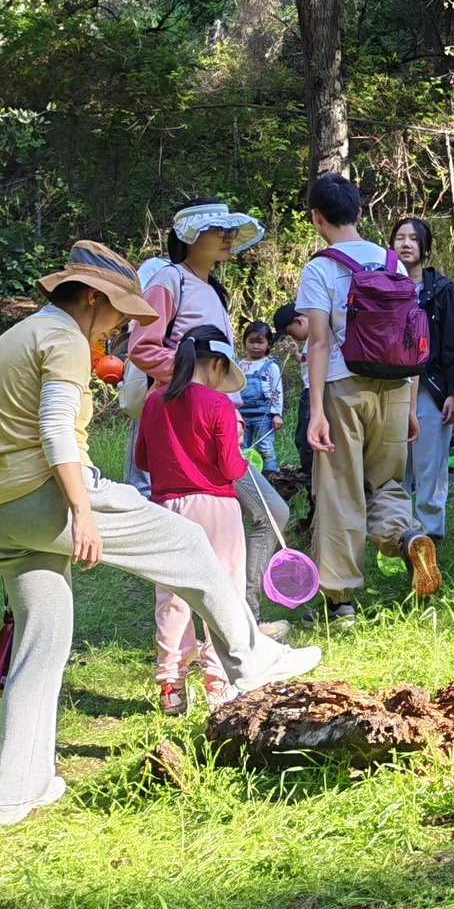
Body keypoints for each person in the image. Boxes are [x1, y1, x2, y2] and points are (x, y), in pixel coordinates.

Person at [0, 241, 319, 826]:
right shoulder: (62, 339)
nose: (116, 328)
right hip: (53, 493)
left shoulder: (18, 338)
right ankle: (248, 657)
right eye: (114, 314)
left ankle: (16, 790)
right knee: (188, 545)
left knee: (42, 646)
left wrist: (24, 524)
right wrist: (81, 512)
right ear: (89, 297)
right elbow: (56, 430)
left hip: (2, 506)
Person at [127, 198, 289, 633]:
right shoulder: (168, 280)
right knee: (260, 516)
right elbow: (142, 347)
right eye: (218, 228)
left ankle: (238, 619)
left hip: (213, 423)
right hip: (186, 427)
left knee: (266, 516)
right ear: (189, 236)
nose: (228, 236)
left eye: (230, 229)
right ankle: (235, 626)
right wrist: (193, 383)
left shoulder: (211, 286)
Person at [295, 170, 442, 612]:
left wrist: (316, 409)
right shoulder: (394, 263)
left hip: (344, 385)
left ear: (316, 218)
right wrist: (413, 403)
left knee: (340, 489)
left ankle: (339, 599)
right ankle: (407, 535)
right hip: (397, 385)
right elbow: (412, 336)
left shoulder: (321, 268)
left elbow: (318, 341)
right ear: (360, 212)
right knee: (389, 481)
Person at [134, 325, 254, 715]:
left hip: (166, 510)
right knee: (222, 594)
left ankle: (170, 683)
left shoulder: (154, 402)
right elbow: (231, 467)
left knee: (172, 597)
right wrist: (240, 448)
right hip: (216, 507)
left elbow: (142, 462)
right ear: (217, 364)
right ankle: (218, 681)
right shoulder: (220, 406)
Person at [391, 217, 454, 541]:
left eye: (413, 238)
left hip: (432, 389)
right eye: (399, 238)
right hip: (392, 387)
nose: (405, 244)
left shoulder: (441, 291)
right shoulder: (382, 286)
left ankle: (430, 534)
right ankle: (400, 534)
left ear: (426, 248)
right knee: (396, 468)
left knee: (430, 466)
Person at [234, 321, 284, 472]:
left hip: (264, 415)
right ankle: (246, 480)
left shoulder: (270, 366)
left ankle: (270, 480)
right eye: (251, 342)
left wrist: (277, 414)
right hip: (242, 415)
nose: (255, 346)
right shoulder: (238, 365)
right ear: (244, 342)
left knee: (265, 448)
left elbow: (277, 391)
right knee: (242, 449)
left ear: (269, 344)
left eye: (260, 342)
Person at [270, 302, 311, 475]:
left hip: (312, 394)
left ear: (298, 322)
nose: (292, 337)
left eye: (289, 332)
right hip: (309, 391)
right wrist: (296, 355)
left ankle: (310, 478)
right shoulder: (316, 338)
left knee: (305, 438)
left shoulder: (320, 336)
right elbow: (308, 359)